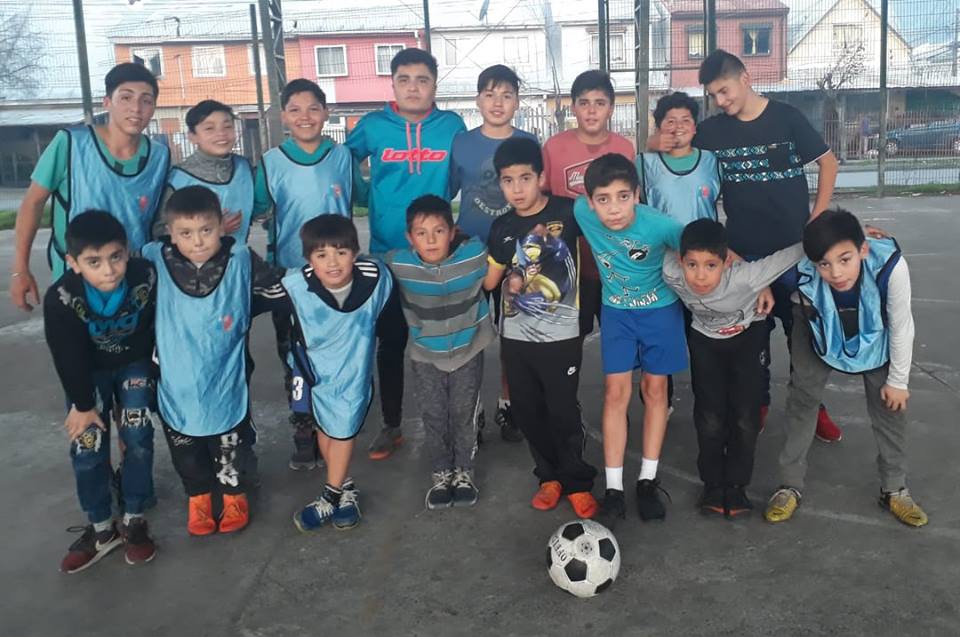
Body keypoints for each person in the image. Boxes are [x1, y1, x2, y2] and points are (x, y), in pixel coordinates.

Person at [688, 49, 842, 441]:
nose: (720, 101)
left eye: (724, 91)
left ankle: (812, 406)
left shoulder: (787, 117)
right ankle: (756, 403)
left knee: (803, 336)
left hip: (794, 252)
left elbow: (829, 162)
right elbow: (680, 158)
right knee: (752, 338)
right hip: (744, 256)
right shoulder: (711, 132)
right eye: (713, 96)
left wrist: (817, 218)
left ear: (745, 77)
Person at [764, 209, 928, 528]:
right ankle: (789, 485)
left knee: (890, 405)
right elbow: (758, 273)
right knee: (802, 398)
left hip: (876, 333)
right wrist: (761, 286)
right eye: (823, 264)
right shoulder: (800, 270)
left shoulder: (891, 267)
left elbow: (901, 325)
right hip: (814, 326)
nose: (836, 273)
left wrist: (898, 381)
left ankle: (895, 488)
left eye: (845, 259)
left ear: (863, 249)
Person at [142, 185, 286, 537]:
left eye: (206, 230)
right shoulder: (155, 259)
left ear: (222, 226)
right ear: (170, 232)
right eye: (185, 233)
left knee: (230, 443)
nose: (197, 241)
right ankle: (199, 497)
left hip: (225, 373)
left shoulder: (240, 258)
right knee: (185, 446)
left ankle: (235, 496)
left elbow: (277, 289)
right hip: (176, 378)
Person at [345, 47, 466, 460]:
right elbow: (342, 163)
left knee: (443, 341)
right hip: (388, 253)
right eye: (405, 80)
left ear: (435, 85)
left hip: (438, 254)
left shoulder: (451, 126)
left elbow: (459, 176)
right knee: (392, 339)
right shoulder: (373, 126)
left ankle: (454, 421)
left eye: (423, 80)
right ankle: (391, 424)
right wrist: (366, 194)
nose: (414, 88)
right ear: (393, 84)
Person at [485, 137, 598, 519]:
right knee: (528, 410)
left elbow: (610, 231)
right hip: (516, 338)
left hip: (562, 336)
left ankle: (577, 481)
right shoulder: (501, 227)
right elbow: (490, 280)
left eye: (525, 178)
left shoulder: (570, 211)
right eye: (508, 180)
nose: (517, 188)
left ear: (541, 177)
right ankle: (548, 477)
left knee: (562, 410)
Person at [253, 78, 362, 471]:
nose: (305, 116)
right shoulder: (271, 162)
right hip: (292, 276)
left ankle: (334, 422)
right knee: (294, 354)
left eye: (313, 108)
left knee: (336, 352)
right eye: (295, 109)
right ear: (283, 116)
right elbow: (255, 208)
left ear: (326, 113)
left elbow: (366, 196)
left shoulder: (342, 157)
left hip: (338, 274)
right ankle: (303, 426)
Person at [573, 154, 687, 526]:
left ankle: (647, 481)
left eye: (623, 197)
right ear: (590, 202)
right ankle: (614, 489)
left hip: (661, 313)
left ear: (637, 194)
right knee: (615, 394)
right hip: (617, 314)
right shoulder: (581, 212)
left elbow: (704, 249)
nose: (614, 208)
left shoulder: (662, 226)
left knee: (655, 391)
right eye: (603, 199)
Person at [661, 219, 801, 517]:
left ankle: (737, 486)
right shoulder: (670, 271)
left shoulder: (745, 278)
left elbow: (795, 252)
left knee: (745, 416)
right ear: (680, 261)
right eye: (692, 265)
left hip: (748, 337)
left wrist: (848, 233)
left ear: (726, 263)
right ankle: (712, 485)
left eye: (711, 265)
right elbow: (643, 238)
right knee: (709, 416)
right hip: (704, 340)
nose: (700, 276)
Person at [44, 211, 158, 572]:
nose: (108, 270)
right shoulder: (61, 298)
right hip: (87, 373)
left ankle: (135, 518)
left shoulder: (145, 275)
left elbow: (158, 324)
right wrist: (81, 404)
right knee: (88, 446)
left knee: (138, 437)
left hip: (134, 364)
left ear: (127, 251)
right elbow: (67, 355)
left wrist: (156, 373)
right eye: (94, 262)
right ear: (73, 262)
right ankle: (101, 527)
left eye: (116, 257)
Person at [10, 62, 170, 311]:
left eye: (146, 100)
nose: (136, 108)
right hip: (76, 281)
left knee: (134, 336)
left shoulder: (159, 156)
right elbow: (33, 203)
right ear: (107, 102)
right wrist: (20, 270)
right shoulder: (70, 144)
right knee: (75, 335)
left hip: (134, 280)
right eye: (126, 97)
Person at [385, 195, 494, 509]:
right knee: (433, 414)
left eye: (439, 231)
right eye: (421, 233)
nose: (431, 240)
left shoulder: (474, 256)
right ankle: (441, 473)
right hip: (425, 355)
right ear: (410, 238)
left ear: (452, 232)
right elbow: (364, 269)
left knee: (463, 413)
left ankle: (464, 472)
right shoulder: (399, 264)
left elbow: (504, 251)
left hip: (468, 351)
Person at [288, 215, 394, 531]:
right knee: (325, 426)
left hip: (352, 375)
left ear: (355, 253)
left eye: (341, 252)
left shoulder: (376, 279)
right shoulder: (295, 285)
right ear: (309, 259)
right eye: (322, 255)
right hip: (315, 373)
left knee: (343, 429)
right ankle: (344, 487)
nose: (332, 262)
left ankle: (330, 495)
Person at [449, 64, 536, 443]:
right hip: (472, 255)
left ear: (517, 101)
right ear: (477, 100)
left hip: (518, 256)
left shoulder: (529, 142)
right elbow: (446, 192)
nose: (498, 102)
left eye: (506, 95)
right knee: (470, 336)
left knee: (513, 335)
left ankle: (508, 404)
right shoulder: (461, 144)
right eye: (489, 94)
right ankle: (474, 410)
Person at [542, 70, 634, 339]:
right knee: (569, 339)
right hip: (568, 264)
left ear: (611, 109)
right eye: (584, 103)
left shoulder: (624, 148)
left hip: (612, 264)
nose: (592, 111)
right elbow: (542, 200)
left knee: (619, 337)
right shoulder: (553, 148)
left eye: (600, 103)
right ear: (573, 107)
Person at [163, 100, 254, 242]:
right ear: (192, 136)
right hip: (195, 256)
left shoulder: (245, 168)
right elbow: (162, 230)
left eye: (227, 126)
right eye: (209, 128)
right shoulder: (178, 178)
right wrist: (214, 229)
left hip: (239, 254)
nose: (221, 134)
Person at [638, 92, 720, 225]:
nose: (679, 126)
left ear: (694, 128)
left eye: (686, 120)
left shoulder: (711, 161)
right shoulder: (643, 163)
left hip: (704, 238)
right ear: (659, 128)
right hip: (661, 239)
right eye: (671, 121)